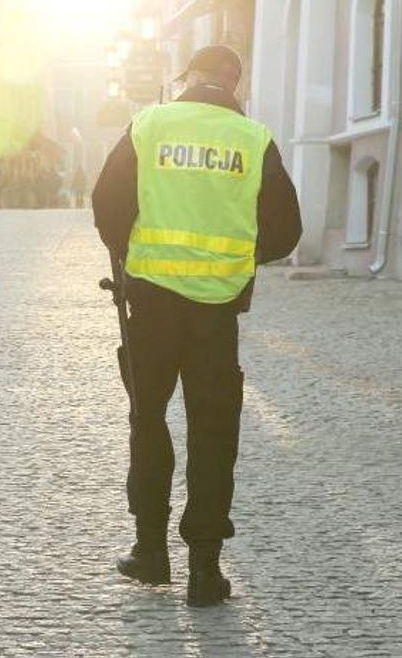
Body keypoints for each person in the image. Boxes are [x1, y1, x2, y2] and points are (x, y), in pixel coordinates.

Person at [91, 45, 302, 607]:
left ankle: (150, 552)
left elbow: (107, 204)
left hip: (151, 305)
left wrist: (131, 252)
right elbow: (286, 230)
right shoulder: (253, 139)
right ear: (235, 85)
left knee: (148, 421)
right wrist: (238, 257)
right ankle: (205, 572)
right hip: (217, 312)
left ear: (188, 79)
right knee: (213, 435)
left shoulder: (149, 124)